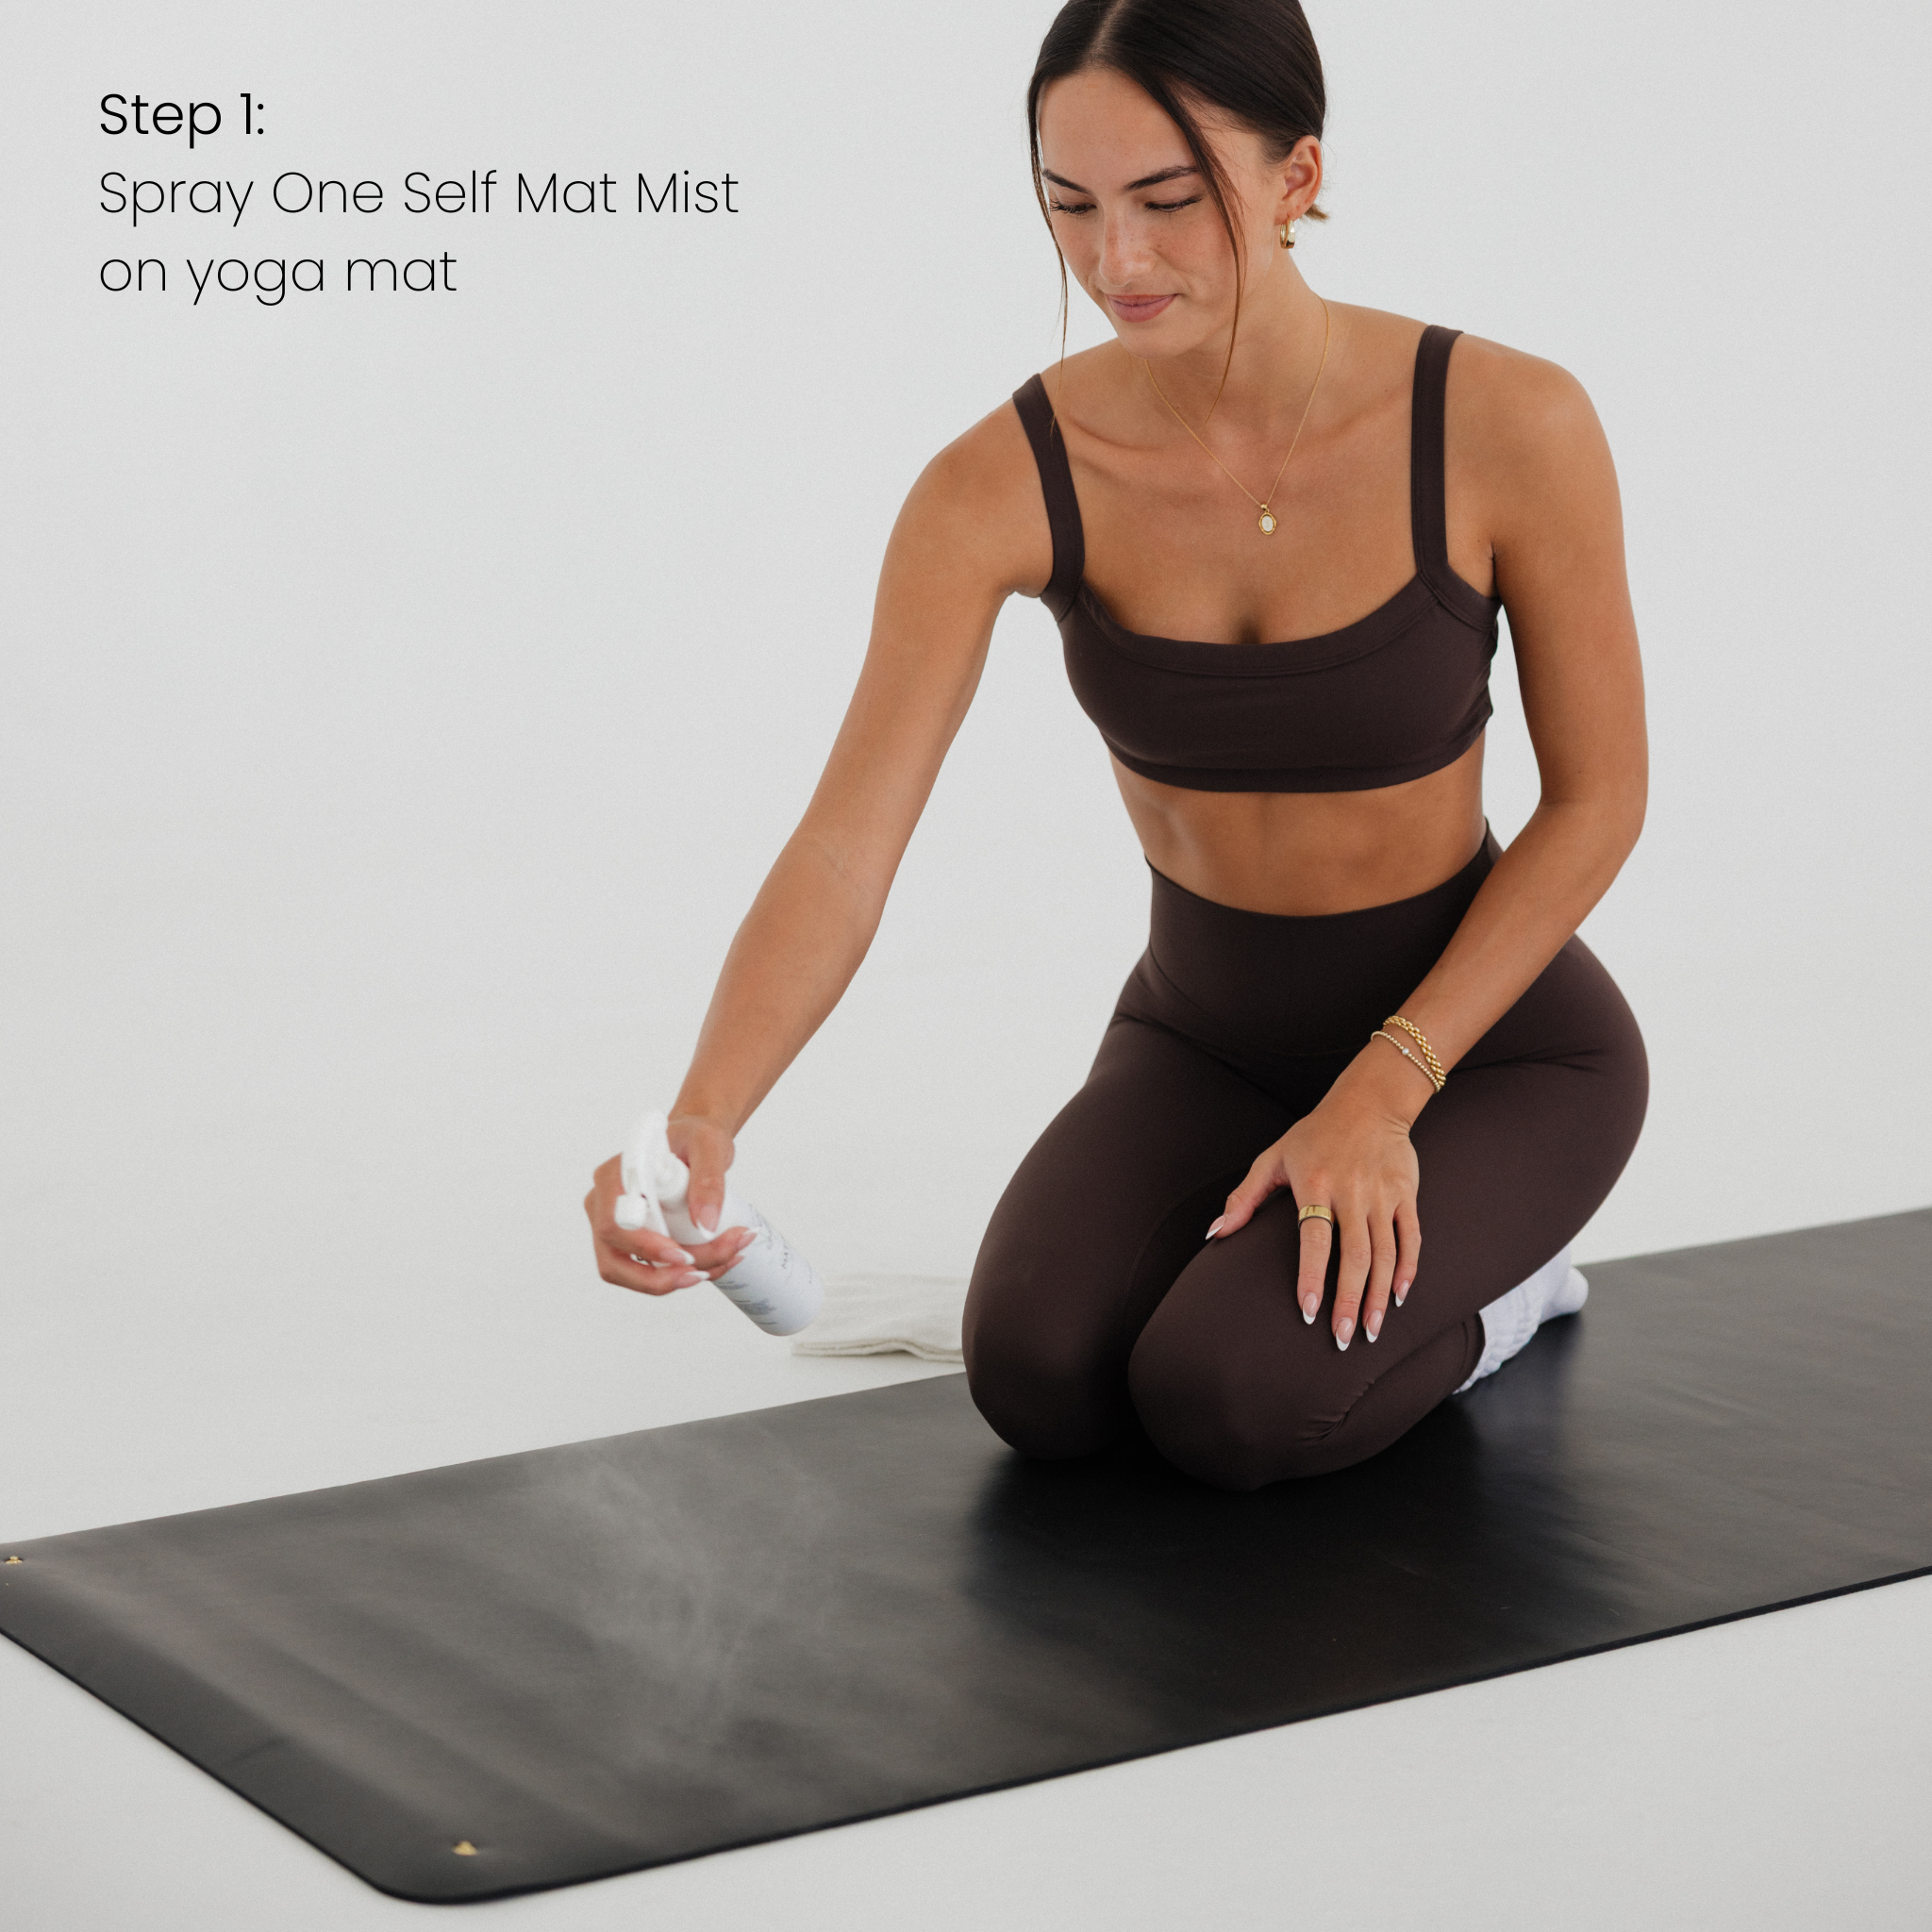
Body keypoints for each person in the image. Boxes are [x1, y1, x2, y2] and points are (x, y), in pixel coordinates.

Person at [583, 0, 1648, 1491]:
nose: (1117, 264)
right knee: (1038, 1378)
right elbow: (846, 840)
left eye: (1170, 201)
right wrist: (705, 1113)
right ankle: (1325, 1246)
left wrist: (1386, 1090)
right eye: (1069, 205)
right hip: (1205, 1031)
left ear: (1296, 177)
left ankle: (1512, 1293)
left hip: (1489, 1050)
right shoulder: (997, 483)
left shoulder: (1507, 421)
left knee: (1227, 1401)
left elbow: (1602, 800)